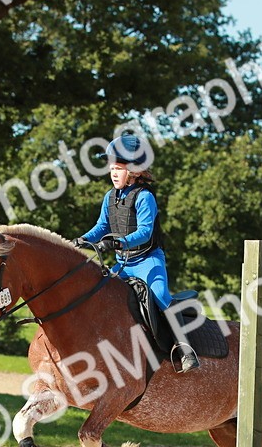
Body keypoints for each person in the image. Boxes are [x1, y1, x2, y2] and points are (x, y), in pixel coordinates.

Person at [73, 132, 199, 373]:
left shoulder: (145, 197)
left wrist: (118, 243)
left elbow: (144, 232)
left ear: (135, 171)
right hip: (122, 264)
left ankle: (185, 349)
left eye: (119, 168)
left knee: (160, 295)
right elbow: (101, 226)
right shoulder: (109, 197)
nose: (113, 173)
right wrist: (82, 240)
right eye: (112, 168)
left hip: (147, 261)